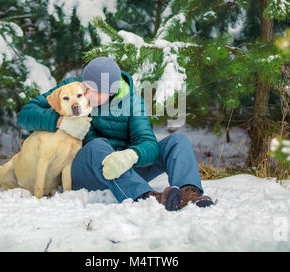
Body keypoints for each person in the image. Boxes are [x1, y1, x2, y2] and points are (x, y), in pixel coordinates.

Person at [17, 56, 213, 211]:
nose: (86, 96)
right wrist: (61, 121)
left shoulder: (133, 102)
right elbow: (26, 113)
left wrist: (131, 155)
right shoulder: (72, 88)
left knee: (177, 142)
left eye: (94, 91)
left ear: (111, 92)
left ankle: (189, 194)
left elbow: (149, 144)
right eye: (85, 87)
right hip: (84, 168)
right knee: (97, 145)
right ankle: (148, 197)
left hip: (123, 168)